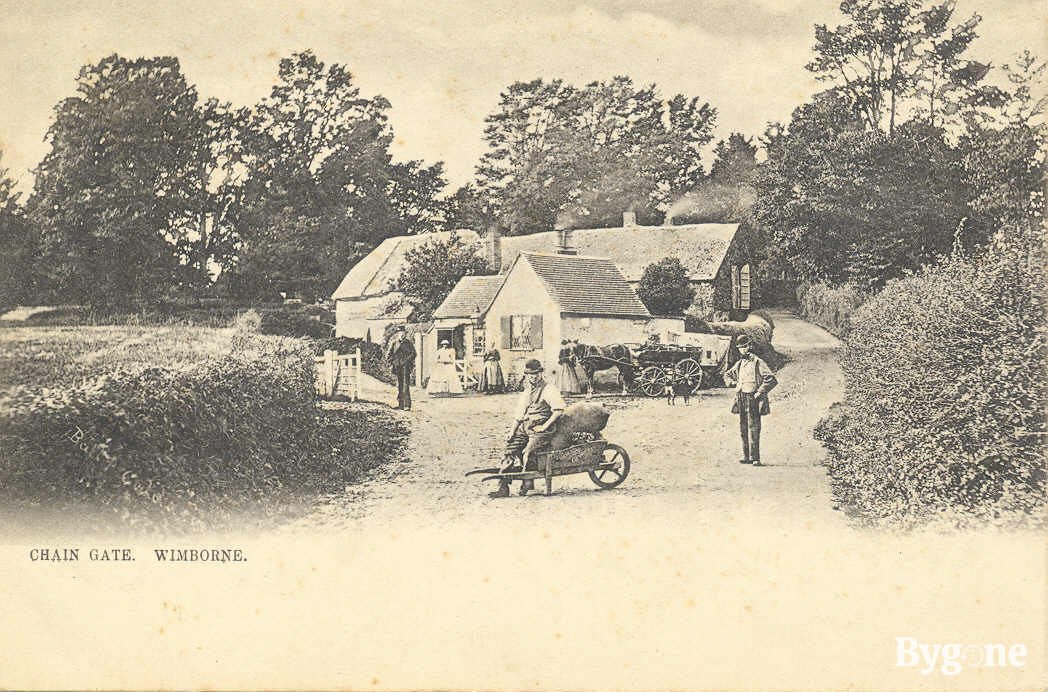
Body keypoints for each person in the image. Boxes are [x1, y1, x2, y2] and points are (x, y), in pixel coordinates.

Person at [491, 358, 565, 498]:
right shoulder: (526, 391)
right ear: (527, 375)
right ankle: (503, 487)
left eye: (536, 373)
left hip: (541, 429)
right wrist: (512, 432)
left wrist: (544, 426)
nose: (533, 377)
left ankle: (528, 485)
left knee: (528, 453)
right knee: (510, 450)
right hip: (526, 426)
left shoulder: (549, 389)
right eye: (530, 374)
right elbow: (519, 414)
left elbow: (558, 410)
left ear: (541, 373)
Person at [724, 334, 778, 466]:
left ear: (750, 346)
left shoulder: (758, 362)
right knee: (743, 427)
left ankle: (755, 458)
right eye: (740, 348)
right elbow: (727, 374)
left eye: (745, 347)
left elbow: (771, 379)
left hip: (753, 397)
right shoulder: (740, 363)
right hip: (741, 397)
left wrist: (759, 392)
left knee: (753, 427)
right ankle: (746, 456)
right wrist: (731, 383)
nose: (743, 350)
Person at [385, 326, 416, 410]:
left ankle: (407, 405)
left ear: (405, 334)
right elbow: (389, 354)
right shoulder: (394, 343)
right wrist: (391, 363)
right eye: (400, 333)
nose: (402, 335)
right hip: (397, 366)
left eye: (403, 333)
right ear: (397, 334)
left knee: (406, 385)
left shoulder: (409, 343)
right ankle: (400, 404)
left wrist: (407, 360)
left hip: (406, 367)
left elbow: (414, 353)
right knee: (399, 385)